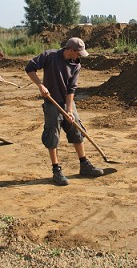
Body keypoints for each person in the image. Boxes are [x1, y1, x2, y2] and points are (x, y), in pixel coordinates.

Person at [25, 37, 104, 186]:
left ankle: (84, 164)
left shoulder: (76, 65)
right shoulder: (50, 56)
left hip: (67, 102)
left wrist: (69, 110)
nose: (79, 56)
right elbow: (29, 68)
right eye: (78, 53)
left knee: (77, 130)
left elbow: (71, 89)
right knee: (52, 135)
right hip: (51, 102)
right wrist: (40, 85)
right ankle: (56, 170)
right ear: (71, 50)